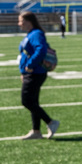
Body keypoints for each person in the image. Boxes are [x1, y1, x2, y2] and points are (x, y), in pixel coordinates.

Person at [17, 11, 59, 140]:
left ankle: (51, 122)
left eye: (21, 21)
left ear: (28, 21)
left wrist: (29, 65)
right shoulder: (31, 34)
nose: (19, 24)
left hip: (36, 72)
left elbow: (40, 50)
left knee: (27, 101)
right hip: (31, 73)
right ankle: (36, 131)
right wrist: (23, 71)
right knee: (33, 102)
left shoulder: (36, 34)